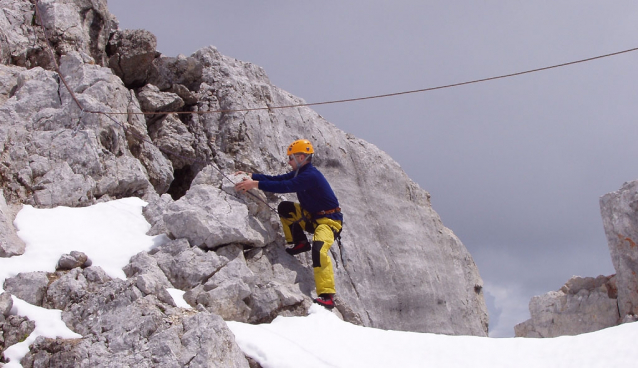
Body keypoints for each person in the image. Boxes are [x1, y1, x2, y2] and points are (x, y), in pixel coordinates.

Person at [234, 139, 343, 309]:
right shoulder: (301, 173)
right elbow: (278, 179)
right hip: (313, 217)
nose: (288, 161)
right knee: (285, 208)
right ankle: (300, 243)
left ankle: (327, 296)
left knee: (319, 249)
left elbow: (286, 186)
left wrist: (255, 184)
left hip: (329, 222)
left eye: (291, 158)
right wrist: (252, 176)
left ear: (301, 157)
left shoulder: (310, 175)